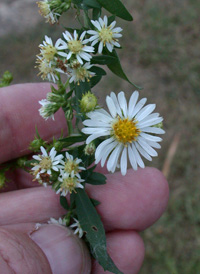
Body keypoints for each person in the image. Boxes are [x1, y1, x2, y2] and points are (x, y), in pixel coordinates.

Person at [0, 83, 169, 274]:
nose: (124, 130)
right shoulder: (100, 133)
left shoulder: (114, 143)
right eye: (124, 127)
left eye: (127, 130)